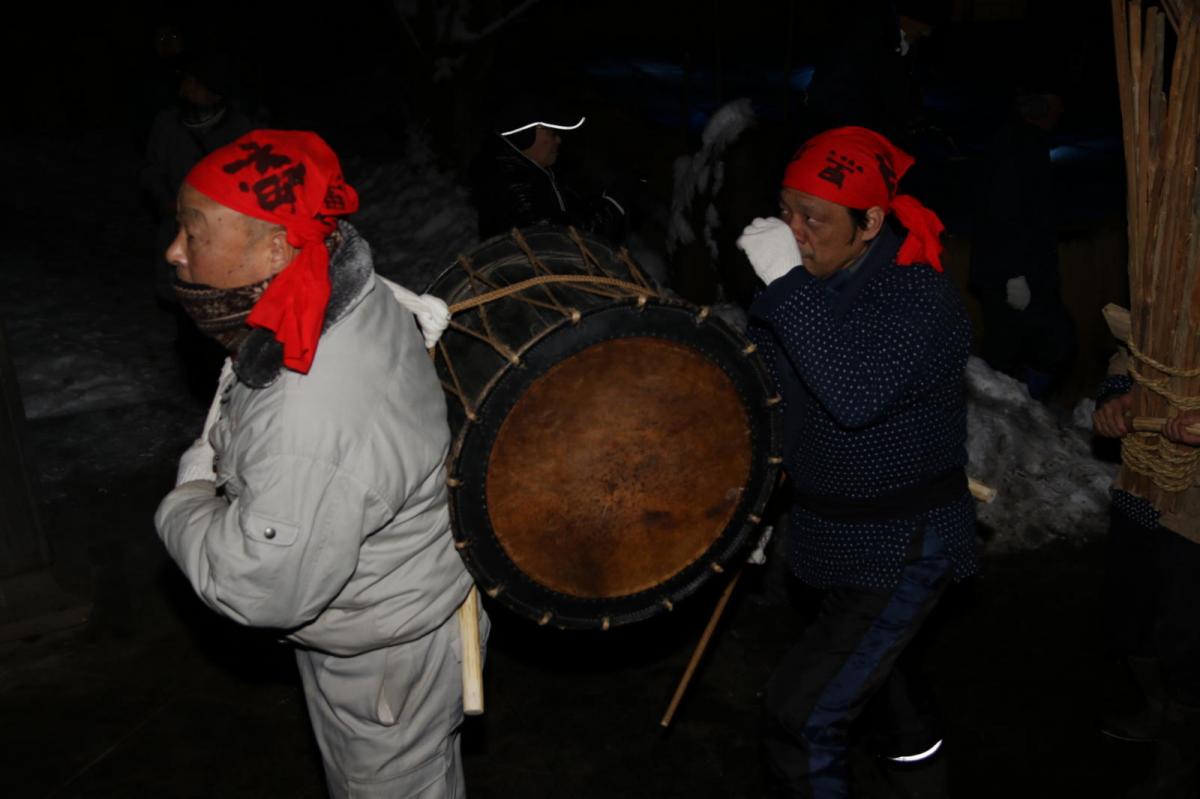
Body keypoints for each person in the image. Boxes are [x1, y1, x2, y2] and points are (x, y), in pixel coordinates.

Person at [153, 130, 483, 798]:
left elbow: (258, 586)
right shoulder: (332, 282)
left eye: (193, 232)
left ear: (275, 249)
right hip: (404, 607)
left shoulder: (308, 418)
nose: (174, 250)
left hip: (387, 661)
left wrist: (184, 497)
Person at [736, 125, 977, 797]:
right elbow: (772, 389)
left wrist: (785, 283)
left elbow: (854, 395)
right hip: (826, 535)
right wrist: (754, 492)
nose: (793, 234)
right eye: (786, 212)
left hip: (900, 546)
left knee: (801, 717)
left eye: (814, 219)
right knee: (890, 702)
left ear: (870, 222)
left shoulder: (917, 295)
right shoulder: (799, 290)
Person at [1092, 369, 1200, 797]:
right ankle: (1158, 709)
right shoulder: (1164, 315)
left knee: (1184, 633)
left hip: (1194, 514)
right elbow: (1129, 359)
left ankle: (1181, 750)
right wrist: (1117, 396)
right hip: (1142, 486)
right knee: (1129, 611)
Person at [140, 52, 255, 398]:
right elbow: (151, 171)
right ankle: (199, 392)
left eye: (195, 83)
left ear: (215, 90)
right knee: (187, 320)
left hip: (227, 244)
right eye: (185, 81)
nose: (185, 88)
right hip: (180, 233)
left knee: (227, 318)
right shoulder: (167, 125)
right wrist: (168, 201)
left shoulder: (242, 130)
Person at [969, 89, 1076, 401]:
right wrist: (1014, 274)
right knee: (1016, 347)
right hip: (1012, 274)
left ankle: (1022, 407)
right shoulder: (1016, 145)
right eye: (1054, 104)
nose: (1059, 112)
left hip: (1024, 271)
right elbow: (1003, 211)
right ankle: (1003, 411)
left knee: (1038, 343)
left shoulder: (1026, 143)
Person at [471, 93, 626, 243]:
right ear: (526, 136)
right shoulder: (513, 185)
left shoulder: (534, 174)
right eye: (552, 132)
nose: (558, 140)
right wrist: (613, 206)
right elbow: (556, 238)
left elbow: (571, 213)